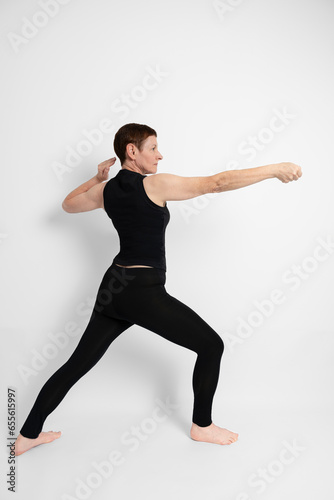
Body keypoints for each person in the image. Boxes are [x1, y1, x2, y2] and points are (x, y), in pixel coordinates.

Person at [14, 123, 302, 456]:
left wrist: (97, 177)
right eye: (153, 147)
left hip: (114, 288)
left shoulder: (104, 191)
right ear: (131, 151)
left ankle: (27, 435)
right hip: (141, 291)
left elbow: (68, 204)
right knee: (211, 346)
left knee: (77, 363)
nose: (160, 155)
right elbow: (217, 183)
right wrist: (274, 169)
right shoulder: (155, 185)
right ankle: (202, 426)